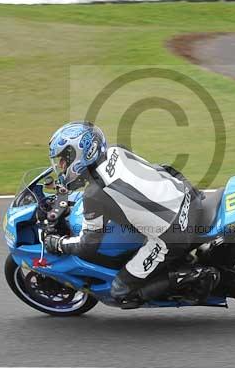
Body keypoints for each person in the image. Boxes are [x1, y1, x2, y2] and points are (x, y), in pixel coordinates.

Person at [41, 121, 219, 306]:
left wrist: (59, 243)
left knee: (120, 290)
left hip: (173, 234)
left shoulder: (94, 194)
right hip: (188, 196)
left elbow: (88, 245)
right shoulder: (116, 151)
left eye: (63, 159)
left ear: (79, 155)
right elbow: (162, 168)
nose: (61, 166)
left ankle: (196, 275)